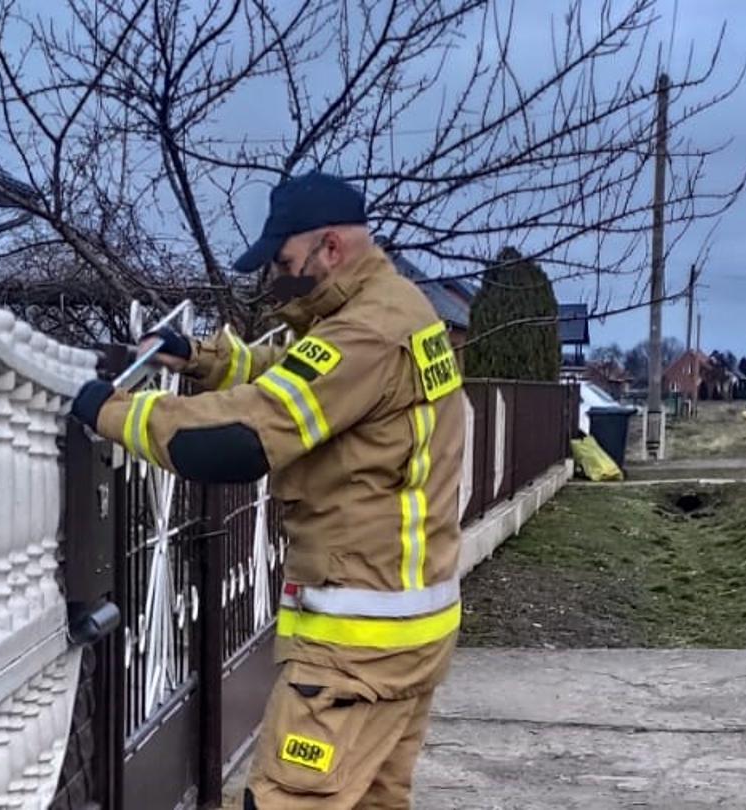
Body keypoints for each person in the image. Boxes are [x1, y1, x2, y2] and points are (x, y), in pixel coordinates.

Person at [70, 172, 467, 808]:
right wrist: (202, 359)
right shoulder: (396, 311)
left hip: (353, 647)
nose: (276, 279)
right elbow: (304, 380)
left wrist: (110, 412)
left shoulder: (366, 333)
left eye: (284, 262)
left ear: (330, 248)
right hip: (410, 630)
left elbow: (241, 439)